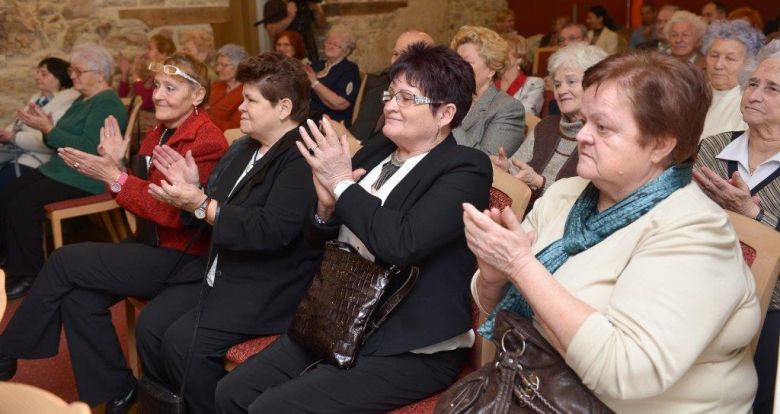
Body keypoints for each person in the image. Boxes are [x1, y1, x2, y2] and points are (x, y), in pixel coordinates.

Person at [466, 49, 759, 413]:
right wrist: (495, 275)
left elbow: (625, 374)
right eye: (584, 121)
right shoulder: (564, 194)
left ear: (660, 144)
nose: (582, 136)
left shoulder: (696, 231)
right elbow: (498, 308)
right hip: (535, 388)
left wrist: (522, 267)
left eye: (602, 127)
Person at [214, 42, 492, 413]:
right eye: (390, 94)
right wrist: (325, 209)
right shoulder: (378, 149)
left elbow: (402, 242)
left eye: (406, 98)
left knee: (273, 409)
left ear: (445, 113)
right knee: (230, 393)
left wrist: (342, 185)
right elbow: (319, 237)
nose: (389, 105)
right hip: (337, 317)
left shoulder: (465, 168)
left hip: (407, 344)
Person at [0, 53, 228, 413]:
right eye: (157, 86)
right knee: (78, 298)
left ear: (197, 95)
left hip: (183, 259)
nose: (158, 95)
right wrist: (118, 167)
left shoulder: (206, 140)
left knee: (64, 261)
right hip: (153, 244)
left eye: (171, 88)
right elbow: (143, 193)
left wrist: (116, 177)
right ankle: (119, 390)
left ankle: (6, 352)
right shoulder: (161, 130)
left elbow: (174, 215)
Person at [135, 52, 321, 414]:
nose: (241, 107)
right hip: (223, 270)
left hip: (269, 285)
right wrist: (193, 191)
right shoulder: (243, 147)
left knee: (182, 344)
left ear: (283, 108)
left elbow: (271, 230)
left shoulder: (301, 157)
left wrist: (201, 203)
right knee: (151, 325)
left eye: (250, 100)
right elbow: (211, 206)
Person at [0, 43, 127, 299]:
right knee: (8, 192)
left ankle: (30, 273)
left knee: (22, 204)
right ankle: (11, 260)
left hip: (86, 175)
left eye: (79, 71)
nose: (73, 76)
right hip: (63, 168)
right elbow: (58, 139)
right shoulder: (82, 100)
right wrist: (47, 128)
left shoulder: (106, 103)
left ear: (100, 74)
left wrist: (49, 129)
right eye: (72, 71)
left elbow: (89, 148)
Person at [693, 39, 780, 414]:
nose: (755, 95)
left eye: (773, 88)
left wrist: (754, 216)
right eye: (753, 84)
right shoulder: (713, 148)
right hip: (700, 286)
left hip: (771, 306)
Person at [494, 43, 607, 206]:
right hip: (524, 213)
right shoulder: (545, 126)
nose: (561, 90)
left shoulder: (602, 136)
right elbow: (518, 167)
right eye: (557, 84)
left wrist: (539, 183)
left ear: (594, 84)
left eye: (571, 81)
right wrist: (506, 167)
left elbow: (585, 203)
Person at [0, 58, 79, 190]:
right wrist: (5, 135)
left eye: (43, 74)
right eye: (37, 73)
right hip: (18, 154)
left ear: (59, 77)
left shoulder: (68, 100)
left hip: (37, 159)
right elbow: (18, 124)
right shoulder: (38, 98)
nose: (37, 77)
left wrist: (13, 137)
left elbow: (48, 141)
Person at [348, 30, 435, 146]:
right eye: (395, 54)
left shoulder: (428, 103)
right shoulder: (375, 94)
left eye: (406, 55)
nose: (397, 62)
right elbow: (357, 135)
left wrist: (348, 141)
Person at [451, 25, 525, 156]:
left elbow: (487, 160)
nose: (457, 69)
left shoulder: (508, 108)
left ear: (491, 69)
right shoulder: (452, 97)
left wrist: (447, 121)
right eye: (456, 63)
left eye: (466, 63)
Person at [701, 20, 765, 138]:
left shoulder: (750, 103)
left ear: (749, 63)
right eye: (714, 56)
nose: (718, 65)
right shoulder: (693, 93)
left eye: (730, 58)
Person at [306, 25, 362, 128]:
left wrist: (314, 82)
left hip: (332, 122)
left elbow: (341, 104)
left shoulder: (349, 69)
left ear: (347, 51)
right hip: (309, 116)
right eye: (329, 42)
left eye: (336, 45)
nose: (330, 46)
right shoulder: (317, 65)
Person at [118, 33, 177, 111]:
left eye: (150, 49)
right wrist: (125, 73)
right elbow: (124, 99)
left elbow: (147, 102)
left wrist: (135, 75)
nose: (146, 53)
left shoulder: (166, 76)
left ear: (163, 54)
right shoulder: (150, 77)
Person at [498, 34, 544, 116]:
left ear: (519, 58)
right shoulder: (489, 82)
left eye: (504, 51)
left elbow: (524, 114)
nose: (498, 55)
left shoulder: (534, 83)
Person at [207, 44, 248, 131]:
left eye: (223, 65)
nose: (218, 69)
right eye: (218, 64)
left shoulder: (245, 93)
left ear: (238, 67)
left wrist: (205, 117)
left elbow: (235, 129)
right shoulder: (216, 85)